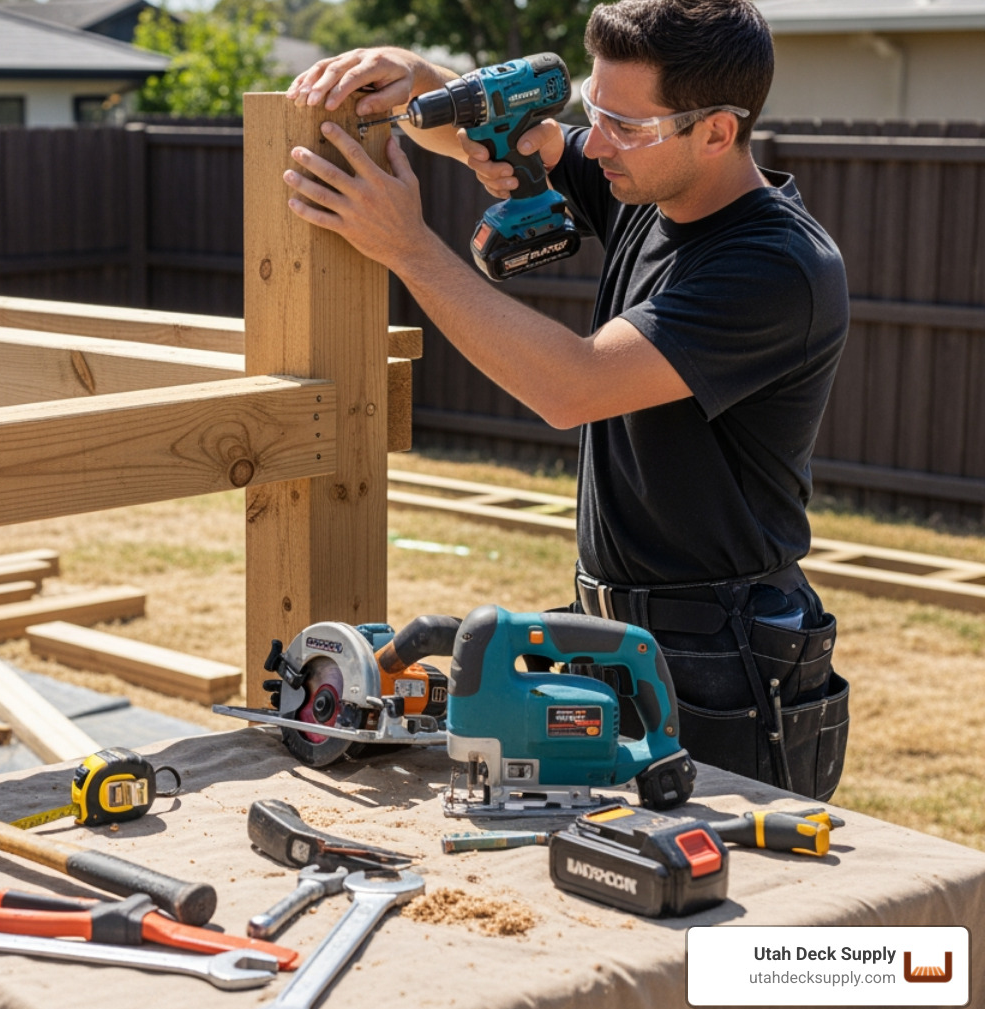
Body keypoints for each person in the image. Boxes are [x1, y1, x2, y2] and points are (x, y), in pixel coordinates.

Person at [281, 0, 850, 799]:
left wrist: (405, 246)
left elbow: (572, 385)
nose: (594, 142)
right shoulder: (649, 181)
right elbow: (523, 138)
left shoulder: (777, 268)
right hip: (618, 630)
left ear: (717, 132)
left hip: (724, 661)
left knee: (717, 888)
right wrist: (420, 83)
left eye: (625, 124)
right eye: (595, 109)